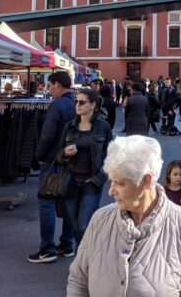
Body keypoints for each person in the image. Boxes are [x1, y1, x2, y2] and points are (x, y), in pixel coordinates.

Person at [66, 136, 181, 296]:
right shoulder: (100, 220)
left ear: (146, 181)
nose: (111, 191)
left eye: (120, 183)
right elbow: (78, 281)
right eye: (111, 181)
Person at [29, 70, 76, 263]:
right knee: (66, 202)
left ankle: (47, 249)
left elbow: (47, 134)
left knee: (46, 202)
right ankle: (66, 245)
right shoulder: (76, 104)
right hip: (70, 161)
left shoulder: (57, 106)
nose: (49, 90)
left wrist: (39, 156)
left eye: (50, 86)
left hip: (53, 160)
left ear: (57, 85)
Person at [59, 88, 114, 251]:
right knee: (76, 225)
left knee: (84, 225)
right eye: (76, 101)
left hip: (91, 183)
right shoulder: (70, 126)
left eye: (82, 102)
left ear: (92, 105)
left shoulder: (103, 127)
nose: (77, 105)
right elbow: (59, 153)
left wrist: (98, 180)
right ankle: (82, 261)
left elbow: (111, 155)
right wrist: (64, 152)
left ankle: (85, 262)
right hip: (71, 182)